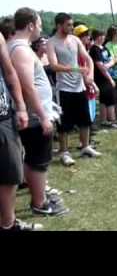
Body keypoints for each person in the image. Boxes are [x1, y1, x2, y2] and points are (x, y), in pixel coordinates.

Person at [7, 7, 68, 216]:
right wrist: (43, 116)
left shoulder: (18, 47)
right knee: (38, 160)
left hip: (34, 114)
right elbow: (27, 85)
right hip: (34, 117)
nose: (41, 28)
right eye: (40, 24)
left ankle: (39, 195)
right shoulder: (21, 50)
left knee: (34, 158)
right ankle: (39, 204)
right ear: (31, 25)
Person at [47, 13, 101, 166]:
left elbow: (88, 58)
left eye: (72, 24)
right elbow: (53, 65)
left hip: (79, 87)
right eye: (69, 25)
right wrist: (76, 70)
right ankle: (64, 152)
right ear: (59, 25)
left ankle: (85, 146)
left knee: (85, 119)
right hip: (64, 88)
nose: (72, 27)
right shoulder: (51, 43)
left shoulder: (75, 39)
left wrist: (89, 74)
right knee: (64, 123)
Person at [0, 31, 36, 231]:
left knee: (12, 172)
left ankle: (7, 223)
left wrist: (21, 106)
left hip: (4, 116)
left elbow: (9, 71)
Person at [89, 29, 117, 129]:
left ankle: (104, 120)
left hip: (109, 74)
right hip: (102, 77)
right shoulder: (94, 49)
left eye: (103, 36)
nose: (102, 38)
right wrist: (110, 79)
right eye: (100, 36)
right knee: (110, 98)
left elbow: (111, 59)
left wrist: (111, 63)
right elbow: (101, 67)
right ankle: (112, 120)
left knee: (104, 99)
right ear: (96, 37)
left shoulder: (103, 48)